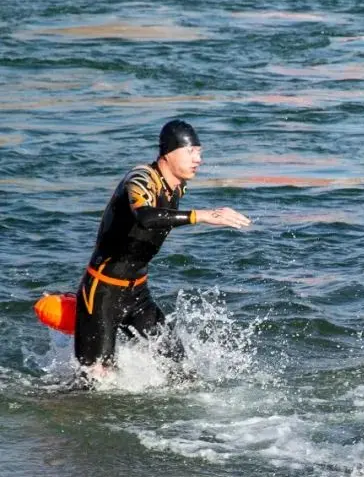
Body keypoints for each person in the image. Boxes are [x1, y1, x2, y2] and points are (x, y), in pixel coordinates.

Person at [74, 119, 251, 379]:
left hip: (137, 294)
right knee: (94, 381)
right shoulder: (140, 179)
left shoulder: (177, 185)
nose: (198, 159)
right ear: (168, 153)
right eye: (191, 151)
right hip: (101, 294)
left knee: (182, 369)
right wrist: (201, 216)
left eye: (200, 152)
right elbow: (146, 216)